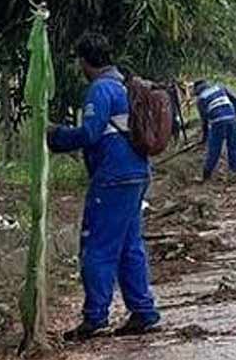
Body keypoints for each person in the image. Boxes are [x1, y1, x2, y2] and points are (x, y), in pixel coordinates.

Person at [48, 33, 160, 341]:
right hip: (137, 172)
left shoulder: (101, 89)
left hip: (113, 176)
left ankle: (95, 317)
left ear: (84, 61)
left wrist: (55, 136)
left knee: (96, 246)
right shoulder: (125, 86)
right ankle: (143, 311)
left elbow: (90, 133)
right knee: (129, 245)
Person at [193, 79, 236, 181]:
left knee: (214, 148)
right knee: (233, 146)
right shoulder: (220, 88)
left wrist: (204, 138)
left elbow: (205, 121)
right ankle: (235, 171)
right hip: (232, 118)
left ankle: (206, 174)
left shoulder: (201, 99)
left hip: (217, 121)